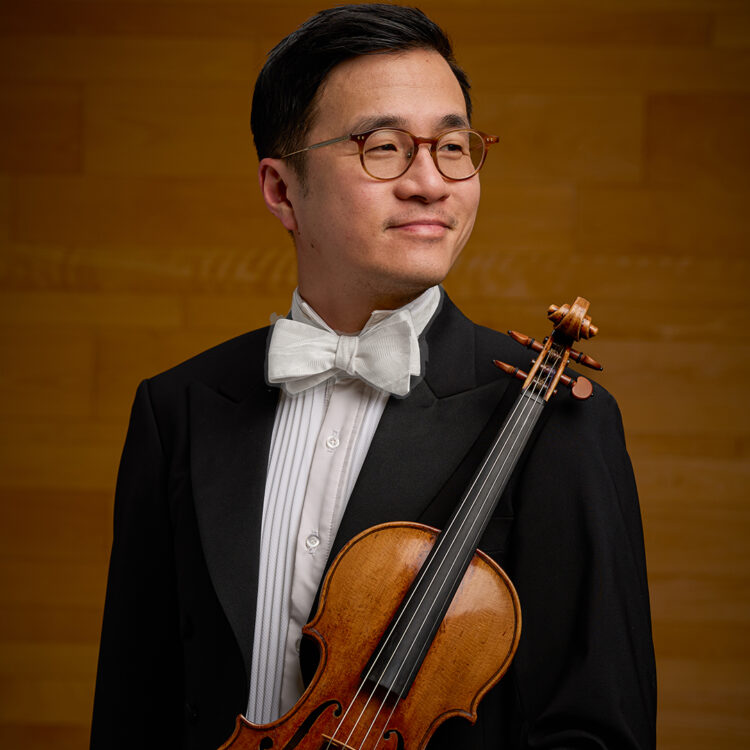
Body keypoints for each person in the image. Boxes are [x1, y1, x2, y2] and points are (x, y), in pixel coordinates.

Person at [90, 5, 656, 749]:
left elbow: (597, 732)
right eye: (383, 147)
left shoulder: (554, 414)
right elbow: (134, 709)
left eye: (451, 146)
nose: (430, 182)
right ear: (281, 190)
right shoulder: (179, 409)